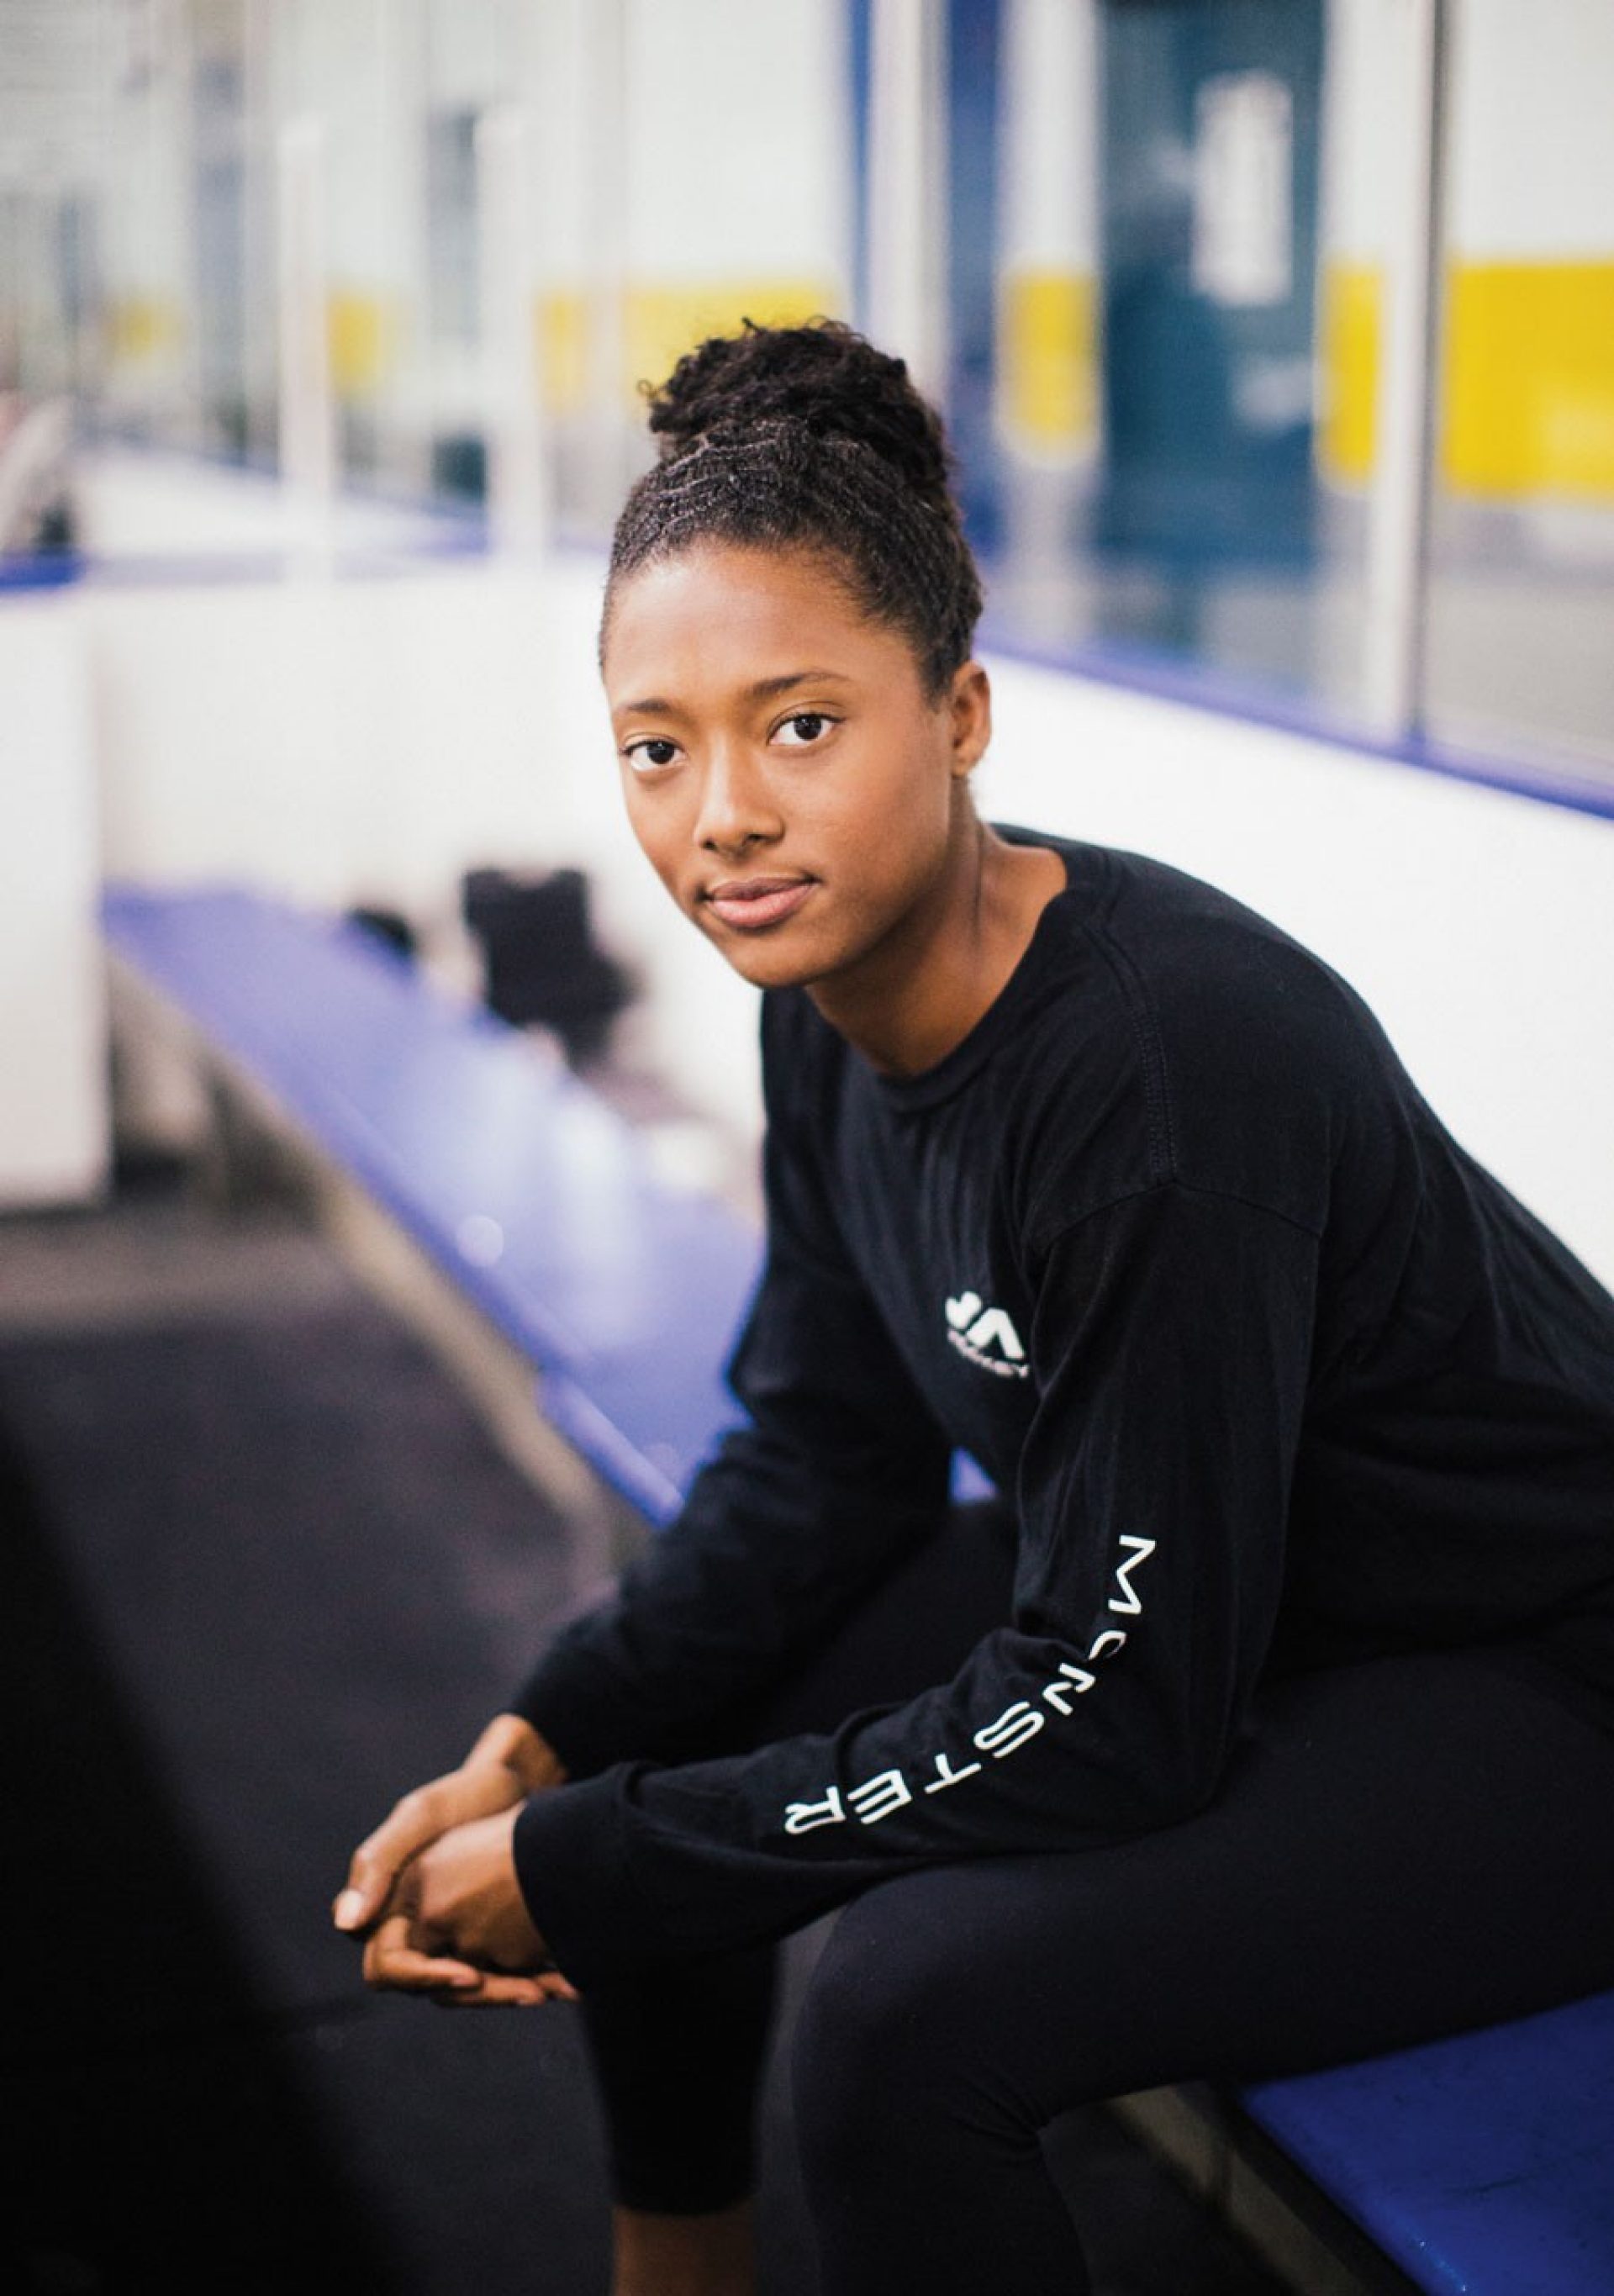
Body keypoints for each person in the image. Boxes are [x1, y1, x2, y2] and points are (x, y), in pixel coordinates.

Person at [334, 321, 1614, 2296]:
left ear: (963, 712)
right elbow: (824, 1450)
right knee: (658, 1747)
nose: (723, 816)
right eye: (658, 747)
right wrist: (552, 1737)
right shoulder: (822, 1015)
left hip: (1536, 1682)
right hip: (1254, 1605)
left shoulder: (1165, 1073)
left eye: (803, 724)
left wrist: (603, 1859)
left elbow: (1119, 1716)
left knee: (902, 2014)